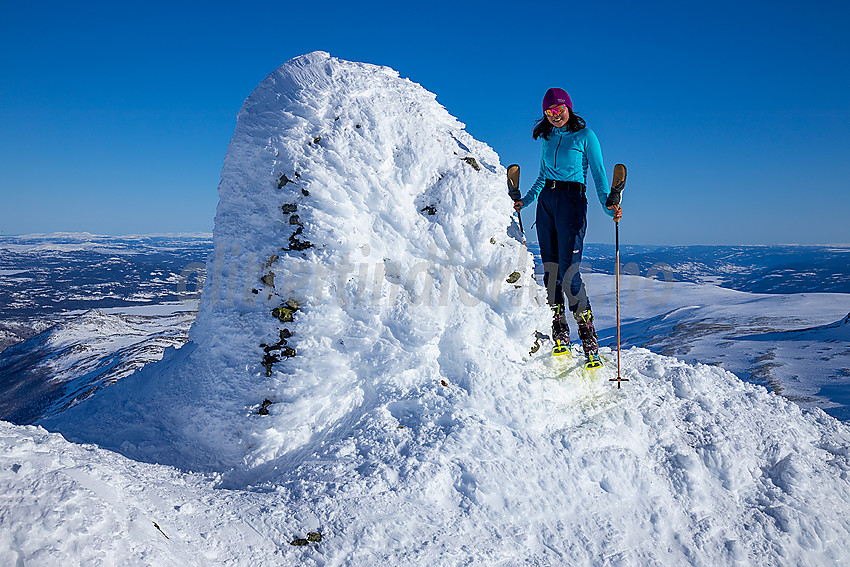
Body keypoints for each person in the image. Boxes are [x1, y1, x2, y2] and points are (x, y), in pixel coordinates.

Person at [513, 88, 623, 366]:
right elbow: (541, 176)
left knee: (569, 270)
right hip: (546, 202)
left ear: (569, 108)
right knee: (550, 268)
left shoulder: (586, 136)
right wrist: (524, 201)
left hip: (572, 201)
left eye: (559, 109)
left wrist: (607, 205)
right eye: (549, 112)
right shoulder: (547, 138)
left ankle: (587, 334)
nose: (555, 115)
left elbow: (598, 174)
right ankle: (559, 328)